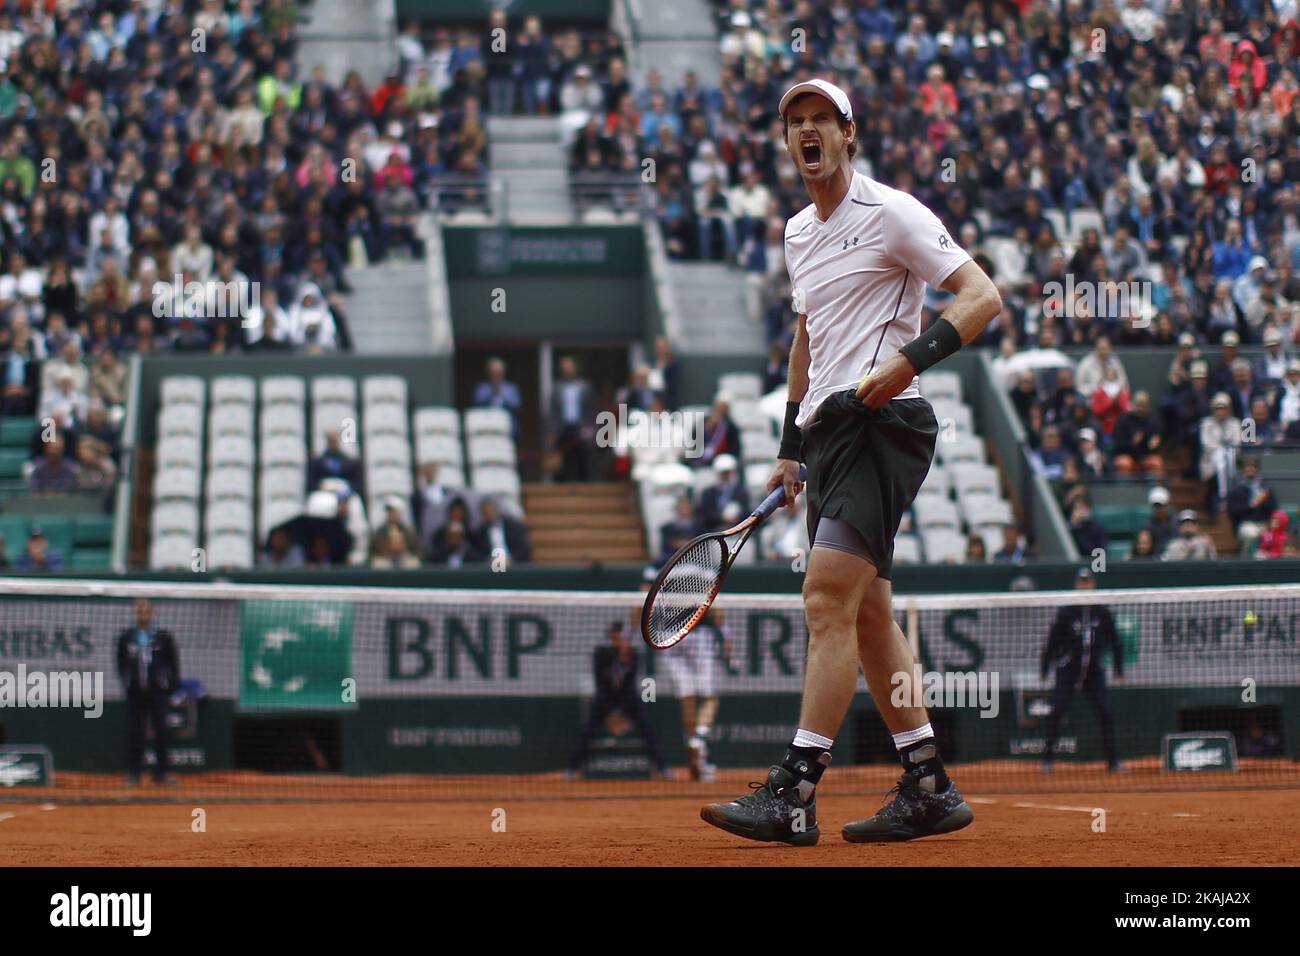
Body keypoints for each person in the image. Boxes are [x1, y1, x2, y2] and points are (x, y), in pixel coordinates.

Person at [701, 79, 1001, 846]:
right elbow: (810, 337)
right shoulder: (798, 233)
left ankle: (795, 790)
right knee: (868, 616)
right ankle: (928, 783)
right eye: (795, 123)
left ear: (847, 133)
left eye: (820, 121)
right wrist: (790, 447)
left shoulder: (893, 212)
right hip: (829, 431)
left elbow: (981, 295)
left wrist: (909, 360)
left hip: (884, 421)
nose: (808, 132)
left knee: (826, 599)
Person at [1040, 569, 1124, 774]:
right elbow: (1053, 641)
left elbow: (1115, 641)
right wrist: (1045, 667)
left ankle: (1113, 762)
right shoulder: (1066, 612)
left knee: (1106, 712)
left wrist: (1118, 668)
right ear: (1076, 584)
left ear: (1093, 584)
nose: (1084, 586)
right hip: (1068, 670)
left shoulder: (1102, 612)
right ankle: (1048, 759)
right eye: (1081, 582)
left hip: (1094, 671)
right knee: (1057, 710)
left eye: (1088, 582)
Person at [567, 619, 669, 779]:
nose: (618, 638)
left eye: (621, 636)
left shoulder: (633, 654)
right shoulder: (601, 653)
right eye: (615, 636)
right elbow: (600, 679)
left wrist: (625, 659)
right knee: (588, 730)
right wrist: (617, 659)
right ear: (611, 636)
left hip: (627, 695)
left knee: (646, 727)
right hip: (605, 695)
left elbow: (631, 679)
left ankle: (662, 768)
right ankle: (572, 769)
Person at [664, 603, 732, 782]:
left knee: (687, 698)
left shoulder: (657, 573)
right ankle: (699, 740)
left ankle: (695, 746)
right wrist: (726, 636)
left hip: (671, 634)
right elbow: (716, 605)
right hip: (700, 633)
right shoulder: (708, 573)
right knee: (710, 697)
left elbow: (645, 595)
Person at [115, 599, 180, 785]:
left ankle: (162, 774)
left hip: (157, 692)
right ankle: (134, 774)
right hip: (135, 693)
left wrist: (170, 686)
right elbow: (121, 662)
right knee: (136, 732)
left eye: (146, 611)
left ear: (151, 613)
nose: (143, 614)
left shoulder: (163, 637)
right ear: (136, 614)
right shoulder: (127, 637)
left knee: (161, 731)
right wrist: (127, 682)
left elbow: (173, 663)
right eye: (139, 611)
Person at [548, 355, 595, 481]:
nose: (567, 370)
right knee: (561, 465)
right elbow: (553, 412)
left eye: (569, 367)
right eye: (565, 368)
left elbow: (591, 409)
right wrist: (552, 432)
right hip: (562, 430)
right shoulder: (556, 388)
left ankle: (585, 492)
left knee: (583, 462)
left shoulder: (584, 386)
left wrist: (590, 428)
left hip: (581, 429)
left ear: (575, 368)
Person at [1226, 456, 1278, 554]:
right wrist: (1250, 505)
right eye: (1247, 467)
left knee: (1271, 536)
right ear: (1243, 470)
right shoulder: (1236, 490)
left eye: (1253, 467)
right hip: (1246, 523)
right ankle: (1246, 561)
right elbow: (1232, 511)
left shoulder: (1266, 487)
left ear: (1257, 469)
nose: (1251, 469)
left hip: (1264, 523)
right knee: (1250, 534)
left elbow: (1274, 508)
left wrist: (1265, 502)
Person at [472, 497, 532, 564]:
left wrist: (511, 560)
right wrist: (489, 561)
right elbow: (478, 554)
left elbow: (523, 548)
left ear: (496, 510)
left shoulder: (513, 526)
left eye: (490, 510)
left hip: (514, 565)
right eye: (485, 512)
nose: (488, 513)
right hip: (491, 568)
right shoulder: (480, 532)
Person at [471, 357, 522, 432]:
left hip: (508, 427)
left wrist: (503, 395)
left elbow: (517, 405)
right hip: (486, 425)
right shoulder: (481, 388)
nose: (496, 375)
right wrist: (491, 392)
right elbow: (476, 404)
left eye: (499, 372)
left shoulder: (511, 388)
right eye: (493, 372)